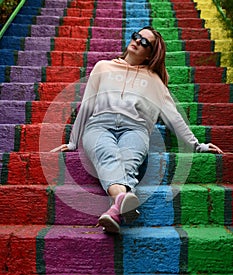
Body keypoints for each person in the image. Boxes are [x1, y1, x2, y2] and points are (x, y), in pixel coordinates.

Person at [51, 26, 223, 233]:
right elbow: (87, 105)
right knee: (107, 155)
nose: (137, 41)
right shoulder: (103, 67)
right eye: (136, 36)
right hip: (98, 125)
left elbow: (173, 117)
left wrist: (197, 146)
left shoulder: (154, 81)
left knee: (128, 162)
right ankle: (121, 204)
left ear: (151, 54)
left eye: (145, 42)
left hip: (135, 130)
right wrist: (72, 142)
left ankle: (116, 208)